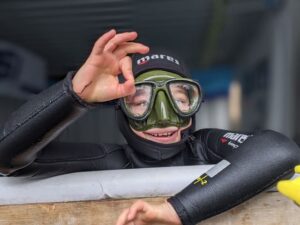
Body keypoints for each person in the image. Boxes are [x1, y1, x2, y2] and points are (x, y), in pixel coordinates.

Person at [0, 29, 299, 225]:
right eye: (140, 102)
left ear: (196, 105)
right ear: (120, 110)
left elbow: (276, 150)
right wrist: (75, 94)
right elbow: (6, 157)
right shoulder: (110, 161)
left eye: (181, 99)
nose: (164, 118)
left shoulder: (203, 145)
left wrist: (175, 210)